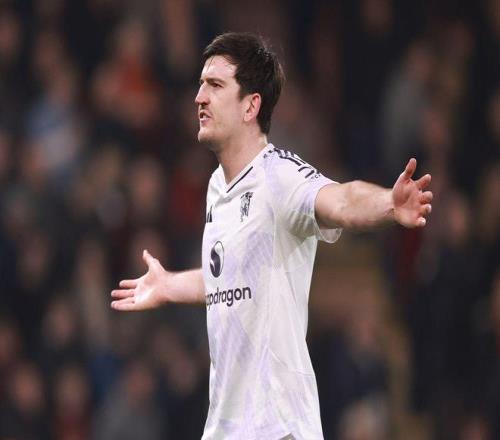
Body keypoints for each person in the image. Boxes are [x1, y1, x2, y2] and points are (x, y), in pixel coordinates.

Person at [110, 32, 433, 440]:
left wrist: (388, 201)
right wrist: (169, 285)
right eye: (200, 84)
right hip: (227, 428)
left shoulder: (279, 175)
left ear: (251, 106)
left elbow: (341, 199)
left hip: (278, 427)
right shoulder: (217, 187)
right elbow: (231, 277)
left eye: (215, 85)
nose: (199, 97)